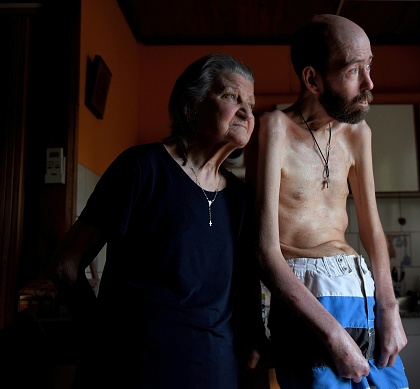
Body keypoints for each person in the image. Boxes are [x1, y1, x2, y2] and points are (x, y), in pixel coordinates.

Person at [49, 53, 266, 389]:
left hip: (215, 369)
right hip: (134, 369)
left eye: (251, 104)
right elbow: (67, 265)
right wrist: (101, 338)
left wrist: (253, 339)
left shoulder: (239, 196)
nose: (247, 112)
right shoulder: (140, 169)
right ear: (191, 107)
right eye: (230, 97)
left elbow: (246, 280)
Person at [252, 14, 409, 389]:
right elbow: (264, 250)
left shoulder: (357, 133)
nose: (370, 83)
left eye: (369, 65)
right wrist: (332, 334)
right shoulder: (274, 128)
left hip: (361, 291)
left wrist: (390, 308)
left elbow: (372, 230)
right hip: (308, 299)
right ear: (312, 79)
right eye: (354, 70)